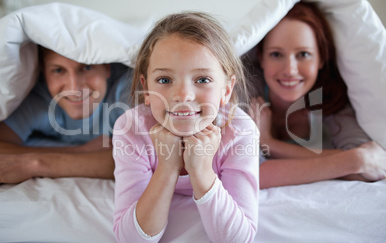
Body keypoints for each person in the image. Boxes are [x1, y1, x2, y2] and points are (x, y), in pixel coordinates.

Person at [112, 12, 259, 242]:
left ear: (226, 90)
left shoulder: (240, 131)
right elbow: (131, 239)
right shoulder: (131, 128)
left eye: (202, 79)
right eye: (164, 80)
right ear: (146, 88)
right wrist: (167, 167)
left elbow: (238, 238)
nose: (182, 95)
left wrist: (202, 171)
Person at [246, 2, 386, 189]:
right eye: (276, 54)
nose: (290, 70)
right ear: (261, 59)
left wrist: (270, 143)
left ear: (321, 59)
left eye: (303, 54)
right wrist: (352, 160)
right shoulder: (248, 93)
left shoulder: (331, 100)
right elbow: (250, 173)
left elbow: (373, 166)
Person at [0, 47, 131, 192]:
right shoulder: (38, 100)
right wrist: (79, 151)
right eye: (58, 70)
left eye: (87, 67)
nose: (74, 88)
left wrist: (34, 164)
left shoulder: (127, 92)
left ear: (106, 67)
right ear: (43, 70)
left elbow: (139, 159)